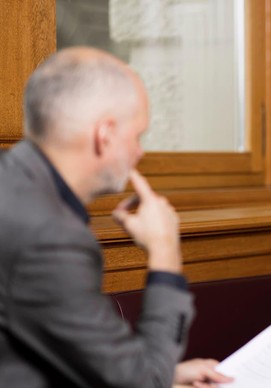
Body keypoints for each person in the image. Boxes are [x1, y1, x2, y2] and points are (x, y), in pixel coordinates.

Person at [0, 47, 233, 387]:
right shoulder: (50, 237)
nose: (140, 152)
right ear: (104, 134)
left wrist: (160, 374)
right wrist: (165, 251)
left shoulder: (15, 185)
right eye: (137, 135)